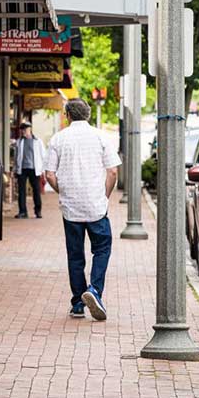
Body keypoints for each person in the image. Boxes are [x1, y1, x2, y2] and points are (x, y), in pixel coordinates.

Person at [44, 99, 121, 320]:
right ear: (88, 114)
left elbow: (49, 174)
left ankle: (78, 303)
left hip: (71, 208)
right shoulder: (101, 137)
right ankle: (94, 289)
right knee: (102, 249)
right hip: (96, 205)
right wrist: (104, 196)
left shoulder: (58, 139)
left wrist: (63, 192)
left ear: (67, 115)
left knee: (75, 255)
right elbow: (113, 172)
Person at [14, 121, 46, 219]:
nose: (23, 131)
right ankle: (23, 212)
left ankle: (38, 211)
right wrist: (15, 169)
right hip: (22, 169)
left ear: (30, 129)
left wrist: (43, 170)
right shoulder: (19, 142)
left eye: (25, 129)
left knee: (36, 190)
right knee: (21, 191)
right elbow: (16, 157)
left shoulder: (37, 141)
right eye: (22, 130)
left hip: (34, 169)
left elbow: (43, 156)